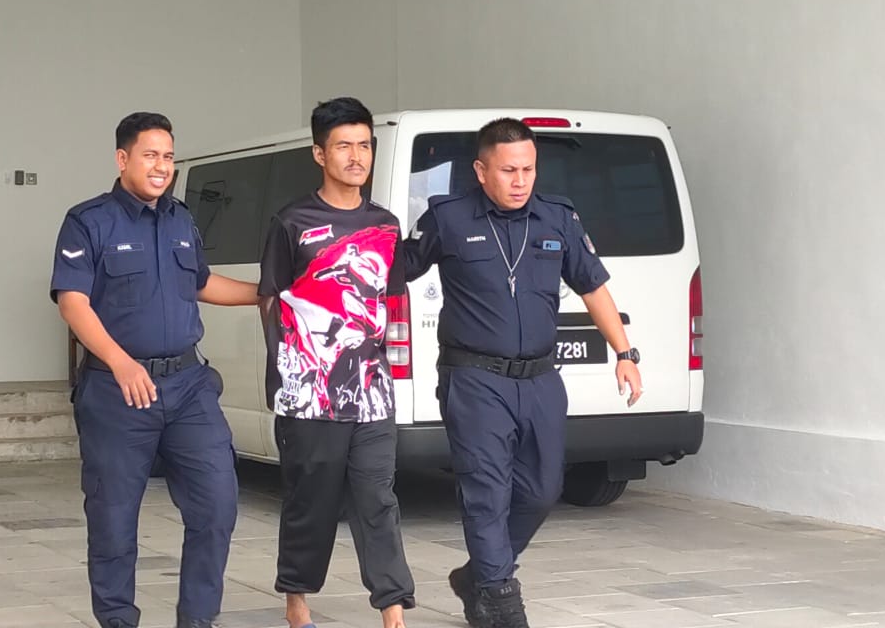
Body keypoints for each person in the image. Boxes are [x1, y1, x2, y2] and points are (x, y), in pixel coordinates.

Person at [403, 117, 644, 628]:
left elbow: (592, 287)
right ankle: (500, 602)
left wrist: (625, 353)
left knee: (541, 489)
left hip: (539, 380)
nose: (520, 181)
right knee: (487, 492)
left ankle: (479, 575)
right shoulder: (447, 217)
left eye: (528, 170)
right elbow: (394, 270)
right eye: (508, 170)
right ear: (481, 171)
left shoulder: (557, 218)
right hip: (474, 378)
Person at [49, 112, 258, 628]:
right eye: (150, 155)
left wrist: (267, 294)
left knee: (216, 506)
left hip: (188, 388)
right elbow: (73, 301)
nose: (162, 166)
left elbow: (201, 283)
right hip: (118, 391)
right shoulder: (89, 221)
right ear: (123, 159)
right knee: (113, 521)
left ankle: (198, 620)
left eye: (168, 156)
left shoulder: (181, 219)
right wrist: (120, 362)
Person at [258, 97, 416, 628]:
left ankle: (393, 609)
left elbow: (389, 302)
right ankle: (297, 602)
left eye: (364, 145)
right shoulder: (292, 222)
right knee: (312, 502)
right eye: (344, 145)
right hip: (309, 393)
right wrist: (286, 373)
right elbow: (270, 300)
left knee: (377, 498)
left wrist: (392, 371)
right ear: (319, 154)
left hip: (371, 392)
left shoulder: (385, 226)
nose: (356, 156)